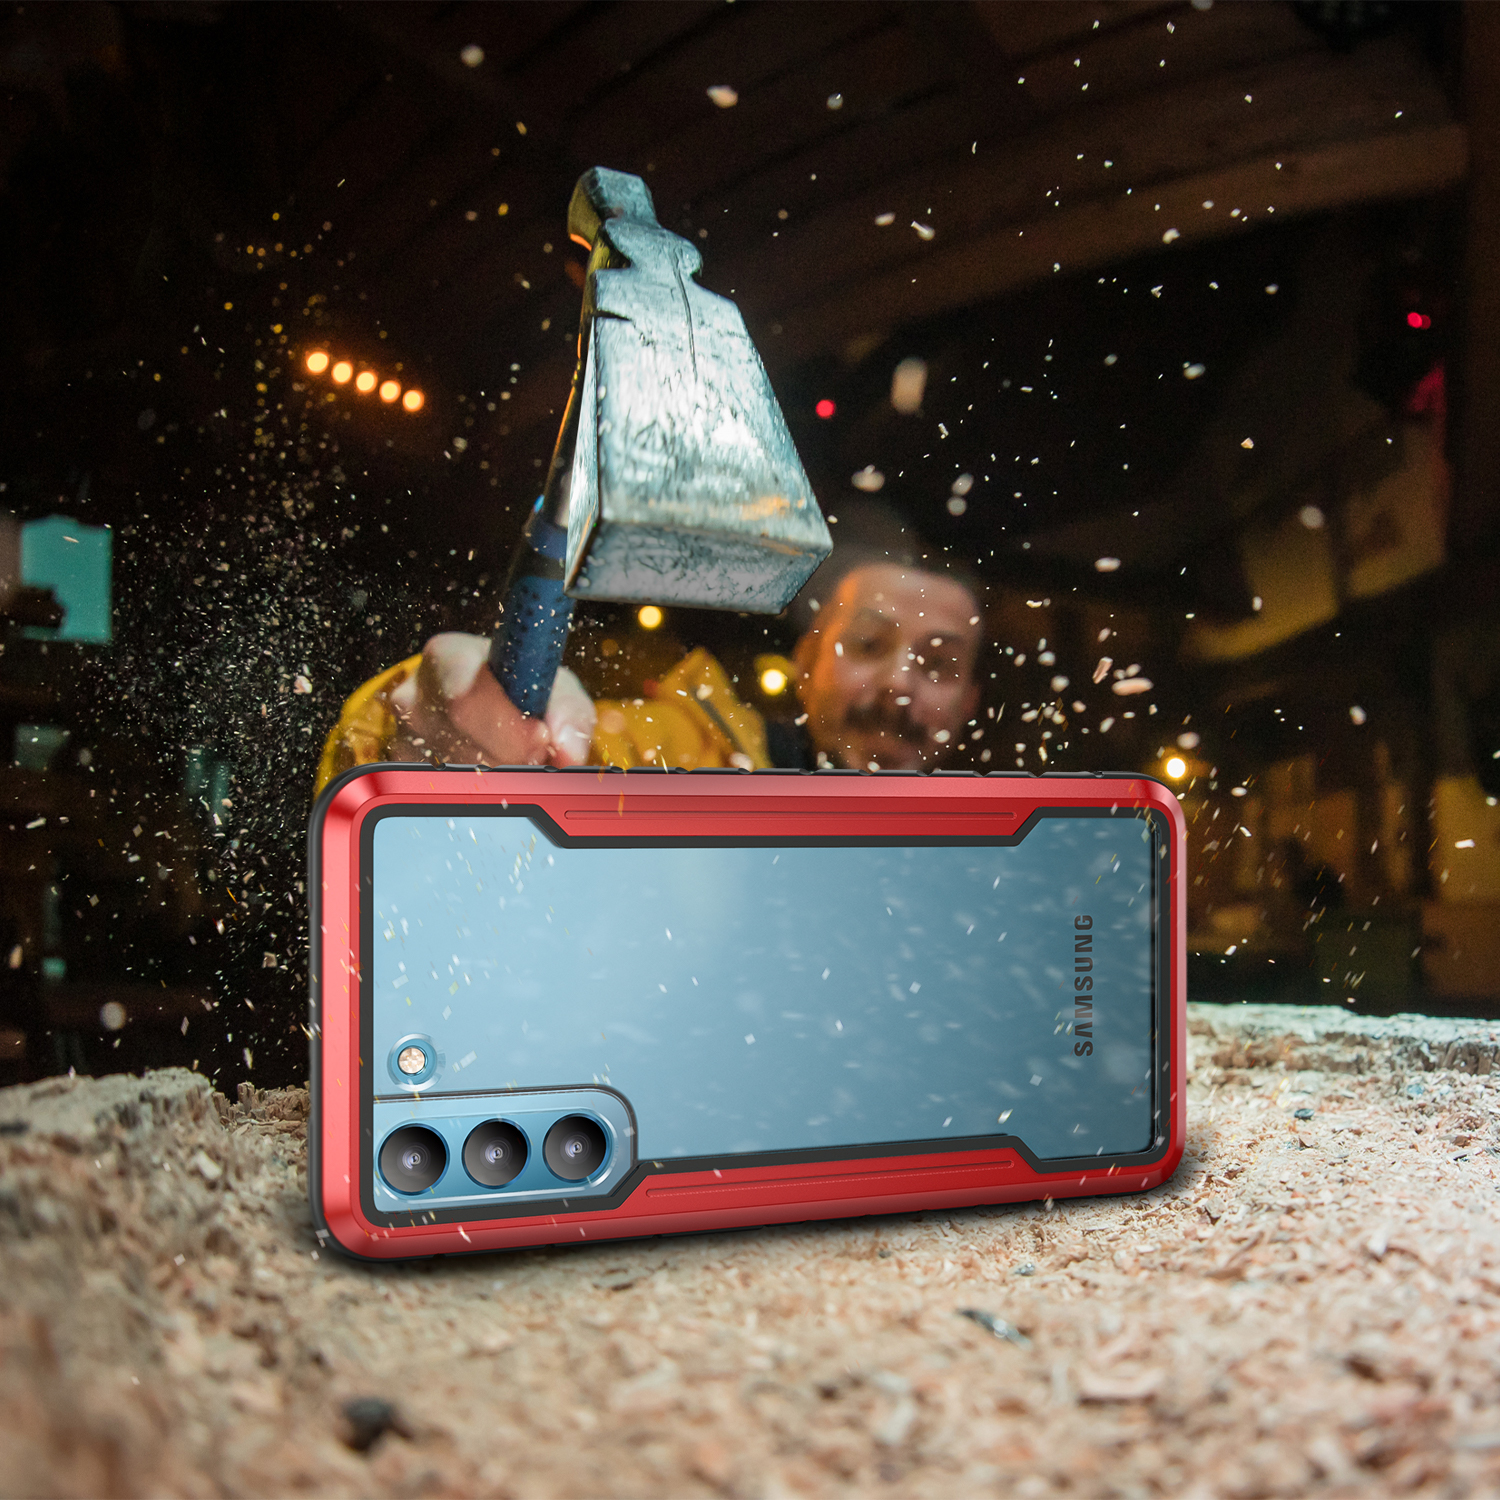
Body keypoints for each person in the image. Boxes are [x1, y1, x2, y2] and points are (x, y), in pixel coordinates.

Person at [315, 546, 983, 792]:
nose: (900, 684)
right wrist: (434, 739)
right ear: (805, 661)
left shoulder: (999, 871)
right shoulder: (692, 757)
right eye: (867, 645)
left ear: (969, 704)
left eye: (939, 663)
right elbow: (594, 757)